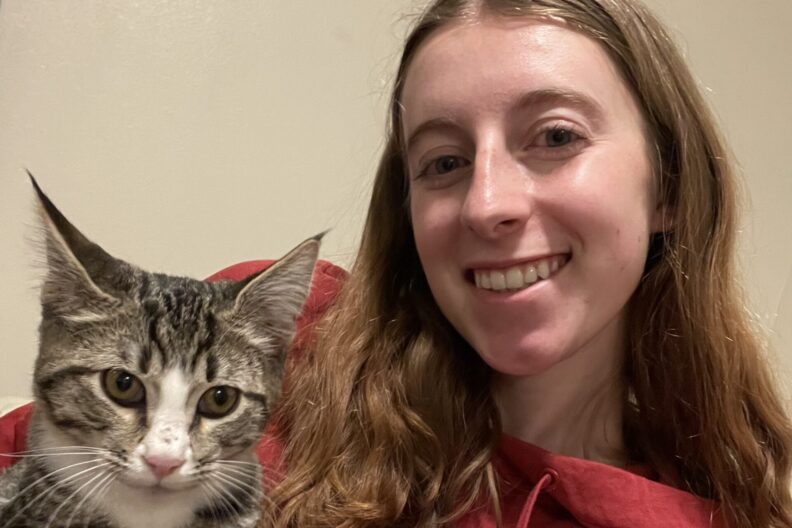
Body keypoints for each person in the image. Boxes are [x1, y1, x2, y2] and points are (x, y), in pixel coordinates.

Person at [266, 1, 792, 527]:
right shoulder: (273, 355)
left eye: (557, 137)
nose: (485, 205)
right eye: (444, 162)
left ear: (667, 185)